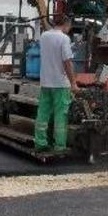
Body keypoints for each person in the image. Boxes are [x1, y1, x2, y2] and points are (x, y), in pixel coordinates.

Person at [34, 15, 79, 152]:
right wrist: (73, 83)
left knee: (43, 113)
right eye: (69, 26)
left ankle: (40, 143)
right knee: (61, 115)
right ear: (66, 24)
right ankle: (59, 146)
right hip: (60, 83)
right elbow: (67, 62)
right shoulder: (64, 38)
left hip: (45, 82)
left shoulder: (44, 36)